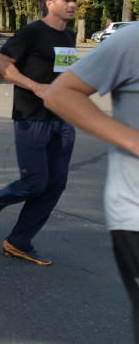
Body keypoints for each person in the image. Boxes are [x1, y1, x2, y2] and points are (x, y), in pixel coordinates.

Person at [0, 0, 85, 265]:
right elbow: (0, 65)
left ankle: (18, 242)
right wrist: (36, 87)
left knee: (55, 185)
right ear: (49, 2)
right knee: (35, 182)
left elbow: (61, 73)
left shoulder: (69, 36)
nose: (72, 4)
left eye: (75, 0)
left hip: (62, 118)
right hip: (32, 116)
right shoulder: (31, 32)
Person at [44, 23, 139, 339]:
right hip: (136, 213)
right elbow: (61, 93)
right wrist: (134, 141)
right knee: (37, 182)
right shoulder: (132, 39)